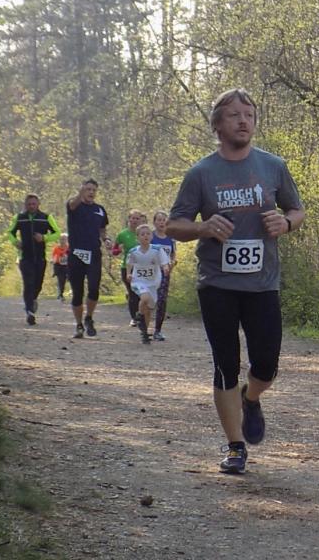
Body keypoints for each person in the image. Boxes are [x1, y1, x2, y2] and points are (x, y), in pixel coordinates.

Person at [167, 87, 305, 475]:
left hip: (262, 283)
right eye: (234, 115)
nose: (243, 121)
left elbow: (297, 209)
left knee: (267, 364)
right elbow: (174, 225)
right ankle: (234, 446)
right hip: (217, 284)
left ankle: (251, 397)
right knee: (226, 363)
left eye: (249, 115)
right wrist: (203, 227)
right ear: (217, 125)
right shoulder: (201, 173)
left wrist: (286, 223)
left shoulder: (273, 166)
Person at [7, 193, 61, 325]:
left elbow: (57, 233)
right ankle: (29, 312)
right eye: (29, 204)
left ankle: (33, 300)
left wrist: (44, 238)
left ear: (38, 204)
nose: (31, 206)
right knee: (28, 283)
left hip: (40, 257)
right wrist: (15, 242)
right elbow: (10, 232)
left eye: (34, 204)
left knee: (38, 284)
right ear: (25, 205)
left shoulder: (46, 218)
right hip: (25, 257)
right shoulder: (19, 218)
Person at [67, 179, 111, 338]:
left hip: (94, 253)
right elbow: (72, 205)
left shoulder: (100, 209)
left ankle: (89, 318)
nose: (91, 192)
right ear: (82, 190)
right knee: (77, 292)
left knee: (94, 288)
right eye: (88, 189)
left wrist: (106, 240)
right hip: (76, 254)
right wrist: (80, 193)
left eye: (94, 190)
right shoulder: (74, 205)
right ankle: (79, 325)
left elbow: (102, 229)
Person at [126, 224, 170, 344]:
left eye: (148, 233)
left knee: (149, 309)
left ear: (151, 236)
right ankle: (139, 315)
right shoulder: (134, 252)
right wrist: (128, 274)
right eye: (142, 234)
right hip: (138, 280)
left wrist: (165, 268)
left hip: (153, 282)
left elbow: (164, 262)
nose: (145, 236)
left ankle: (144, 332)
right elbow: (129, 263)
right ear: (137, 238)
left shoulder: (157, 249)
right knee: (144, 298)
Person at [151, 210, 176, 341]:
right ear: (154, 222)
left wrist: (172, 263)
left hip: (164, 273)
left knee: (161, 300)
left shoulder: (171, 238)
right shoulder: (150, 236)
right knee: (149, 300)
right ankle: (143, 325)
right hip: (150, 272)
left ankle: (157, 330)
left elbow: (173, 254)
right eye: (159, 220)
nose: (161, 222)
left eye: (164, 220)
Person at [114, 209, 143, 326]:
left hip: (142, 267)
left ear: (140, 220)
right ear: (129, 219)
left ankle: (141, 315)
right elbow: (114, 251)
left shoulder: (144, 233)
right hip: (127, 267)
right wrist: (118, 250)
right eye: (133, 218)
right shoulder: (122, 234)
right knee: (132, 293)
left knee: (141, 293)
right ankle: (134, 318)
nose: (135, 220)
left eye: (137, 218)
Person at [51, 233, 70, 301]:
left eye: (64, 239)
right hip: (59, 266)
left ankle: (76, 294)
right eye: (61, 239)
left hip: (67, 266)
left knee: (71, 279)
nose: (62, 241)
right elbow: (53, 257)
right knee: (61, 280)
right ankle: (60, 295)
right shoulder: (56, 248)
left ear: (67, 240)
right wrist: (53, 262)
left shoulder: (69, 248)